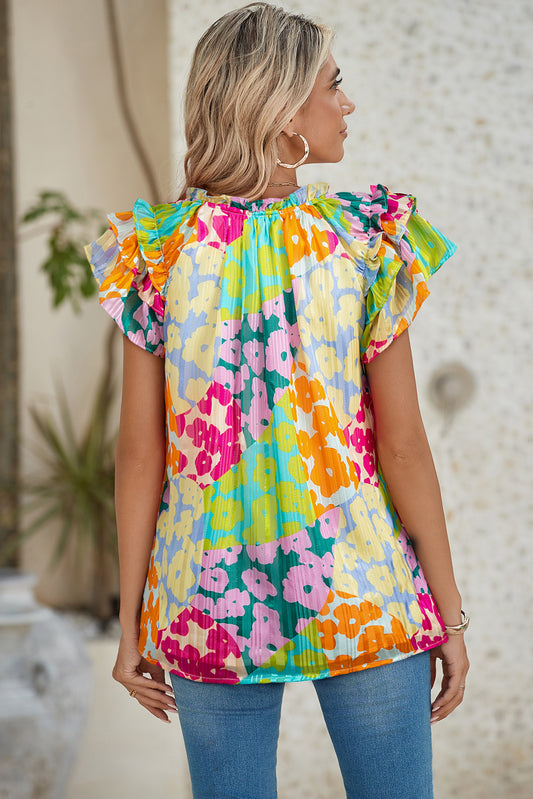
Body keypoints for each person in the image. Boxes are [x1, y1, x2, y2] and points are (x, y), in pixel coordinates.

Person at [85, 3, 469, 798]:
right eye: (334, 84)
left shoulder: (156, 250)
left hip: (205, 592)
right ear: (284, 108)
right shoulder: (361, 241)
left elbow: (139, 454)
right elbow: (400, 445)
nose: (347, 102)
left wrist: (131, 624)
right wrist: (448, 615)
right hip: (360, 587)